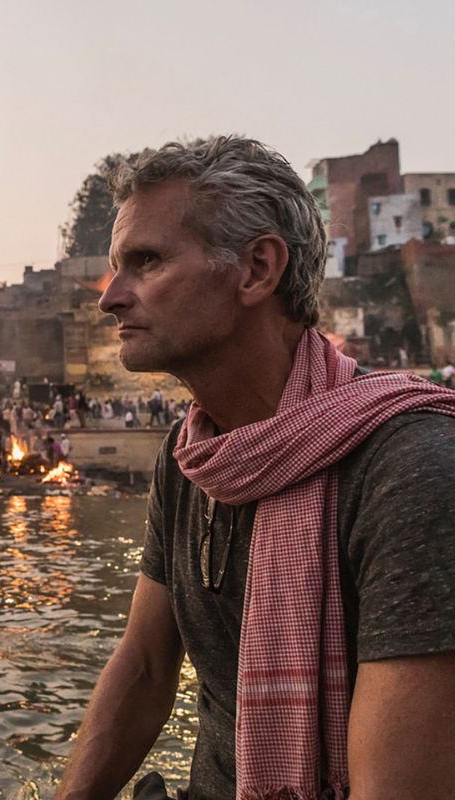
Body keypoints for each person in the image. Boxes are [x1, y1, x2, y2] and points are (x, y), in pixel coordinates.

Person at [55, 137, 455, 800]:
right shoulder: (190, 459)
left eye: (146, 261)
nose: (111, 298)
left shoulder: (409, 471)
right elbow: (148, 667)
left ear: (256, 270)